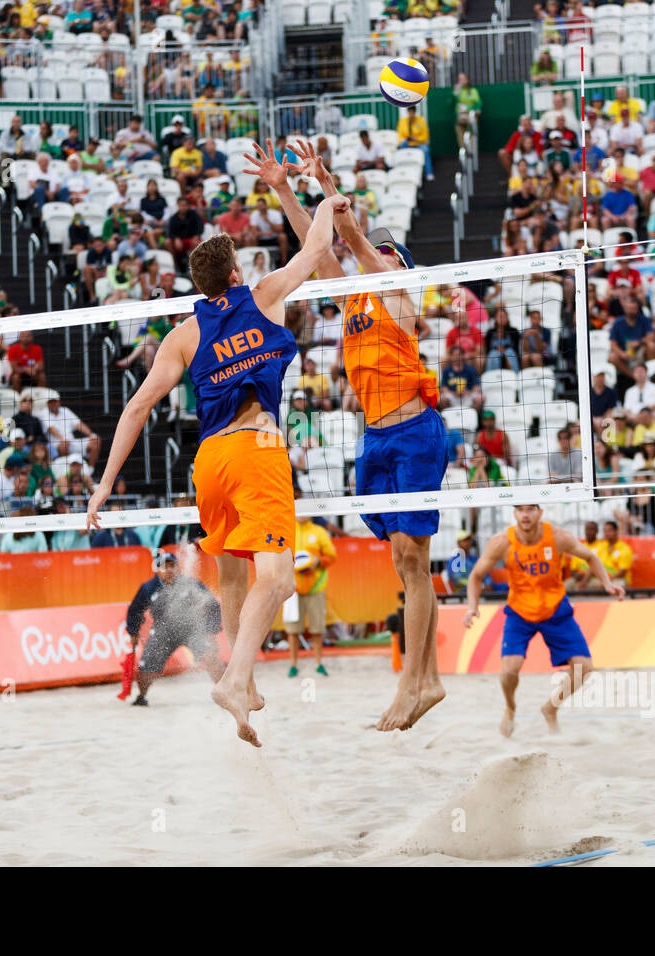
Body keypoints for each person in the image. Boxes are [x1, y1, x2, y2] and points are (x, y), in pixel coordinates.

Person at [87, 191, 350, 748]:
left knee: (232, 574)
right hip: (256, 450)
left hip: (208, 463)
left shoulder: (184, 334)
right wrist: (328, 200)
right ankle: (234, 681)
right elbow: (319, 246)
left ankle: (243, 681)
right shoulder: (262, 294)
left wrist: (104, 484)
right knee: (277, 579)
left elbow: (137, 408)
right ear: (234, 272)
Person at [290, 139, 448, 733]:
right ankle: (427, 678)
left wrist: (333, 192)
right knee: (405, 561)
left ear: (399, 263)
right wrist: (288, 187)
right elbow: (320, 247)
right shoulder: (354, 296)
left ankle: (413, 682)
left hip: (413, 433)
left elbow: (354, 243)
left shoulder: (401, 294)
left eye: (386, 252)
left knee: (413, 557)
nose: (374, 253)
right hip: (373, 441)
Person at [462, 503, 624, 738]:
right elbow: (475, 576)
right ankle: (510, 708)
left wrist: (608, 585)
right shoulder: (502, 542)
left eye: (531, 509)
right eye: (520, 509)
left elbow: (590, 556)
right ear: (514, 513)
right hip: (520, 611)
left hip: (555, 609)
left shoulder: (558, 537)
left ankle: (550, 708)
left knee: (584, 669)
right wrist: (472, 608)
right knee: (509, 671)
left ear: (541, 512)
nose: (525, 514)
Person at [124, 551, 225, 706]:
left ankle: (225, 691)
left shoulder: (190, 584)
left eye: (172, 565)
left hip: (191, 629)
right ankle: (142, 696)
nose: (169, 570)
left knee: (212, 658)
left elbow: (212, 605)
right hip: (162, 632)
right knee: (145, 669)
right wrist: (133, 632)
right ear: (157, 570)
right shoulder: (148, 588)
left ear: (178, 568)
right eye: (165, 566)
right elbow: (135, 610)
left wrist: (211, 631)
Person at [287, 495, 338, 678]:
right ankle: (293, 665)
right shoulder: (287, 530)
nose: (302, 514)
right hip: (291, 588)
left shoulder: (319, 532)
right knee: (293, 629)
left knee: (317, 628)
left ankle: (319, 663)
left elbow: (332, 557)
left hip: (315, 586)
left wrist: (317, 561)